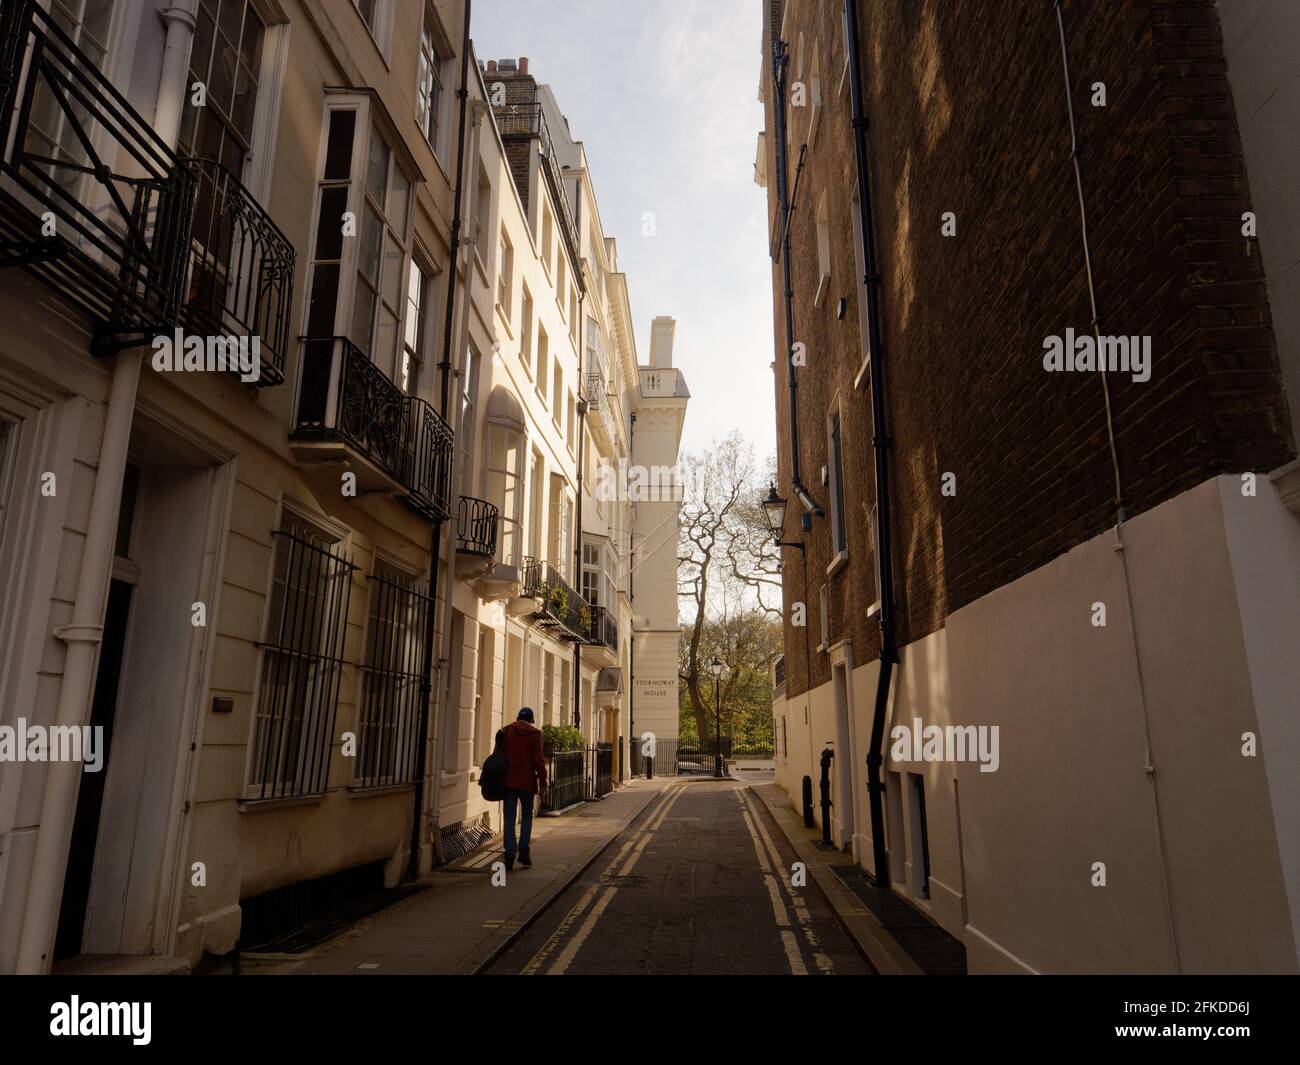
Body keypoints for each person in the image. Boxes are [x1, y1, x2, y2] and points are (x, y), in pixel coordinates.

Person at [501, 707, 547, 871]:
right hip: (527, 783)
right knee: (527, 816)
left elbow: (500, 756)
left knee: (509, 819)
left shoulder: (507, 731)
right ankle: (524, 851)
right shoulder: (535, 735)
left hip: (509, 782)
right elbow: (538, 761)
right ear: (531, 720)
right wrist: (543, 783)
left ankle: (509, 855)